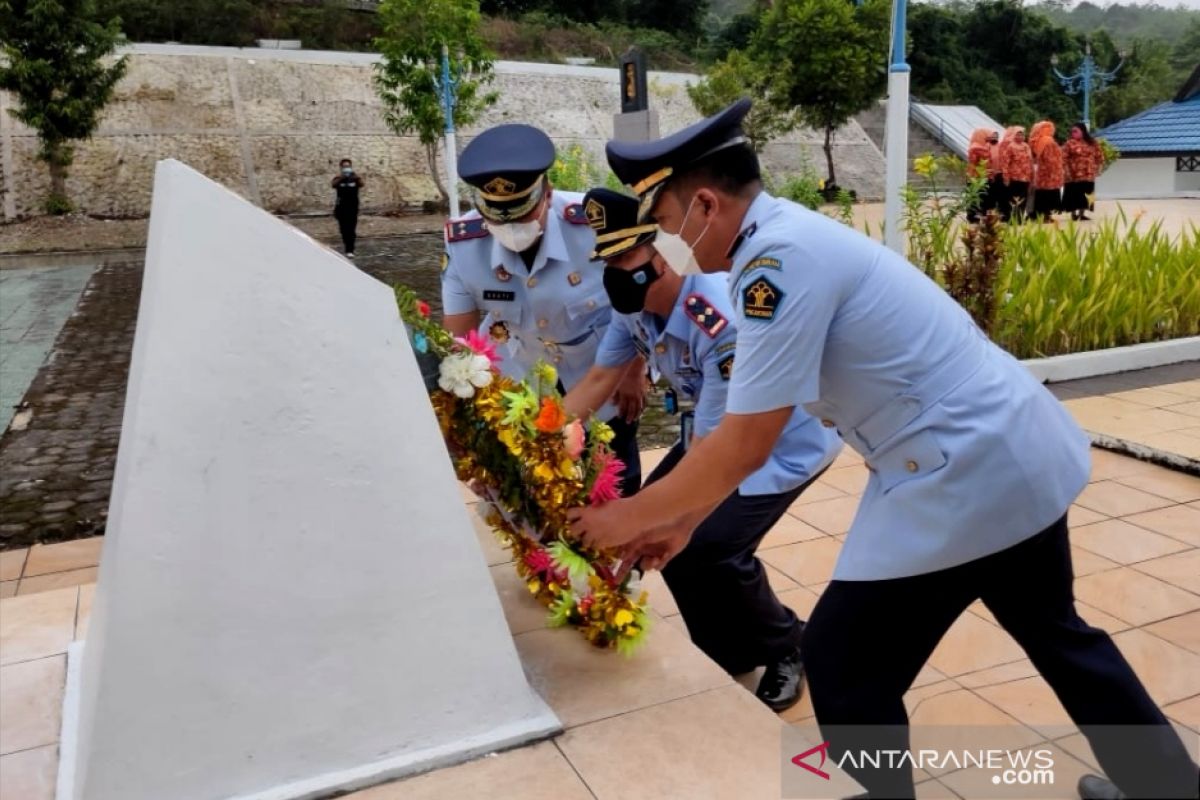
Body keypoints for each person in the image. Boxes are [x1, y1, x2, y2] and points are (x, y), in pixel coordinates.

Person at [568, 99, 1199, 800]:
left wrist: (625, 518)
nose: (666, 244)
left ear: (706, 205)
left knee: (842, 667)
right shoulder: (787, 239)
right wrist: (682, 519)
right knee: (1061, 637)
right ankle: (1168, 787)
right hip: (1009, 443)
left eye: (663, 224)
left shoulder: (774, 264)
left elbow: (746, 441)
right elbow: (740, 440)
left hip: (963, 468)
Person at [563, 187, 843, 711]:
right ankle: (727, 648)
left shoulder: (718, 318)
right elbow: (600, 376)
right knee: (667, 528)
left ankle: (789, 645)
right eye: (607, 259)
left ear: (662, 252)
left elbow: (721, 447)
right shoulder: (635, 306)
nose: (615, 271)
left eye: (626, 256)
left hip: (782, 442)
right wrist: (543, 432)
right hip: (719, 432)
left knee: (711, 544)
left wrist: (656, 517)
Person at [441, 124, 644, 495]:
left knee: (613, 476)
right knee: (540, 485)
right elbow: (461, 342)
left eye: (520, 213)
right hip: (524, 379)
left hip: (601, 370)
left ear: (547, 195)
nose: (509, 226)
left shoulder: (595, 224)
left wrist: (635, 371)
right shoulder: (464, 245)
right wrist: (469, 426)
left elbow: (637, 303)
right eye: (496, 217)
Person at [1062, 122, 1103, 221]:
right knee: (1074, 194)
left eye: (1076, 131)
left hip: (1088, 174)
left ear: (1083, 131)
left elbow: (1099, 156)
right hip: (1074, 175)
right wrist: (1066, 171)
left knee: (1086, 194)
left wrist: (1099, 168)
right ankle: (1073, 214)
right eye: (1072, 131)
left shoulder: (1092, 143)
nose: (1073, 133)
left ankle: (1082, 214)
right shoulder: (1069, 143)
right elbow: (1063, 158)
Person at [1030, 120, 1064, 222]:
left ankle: (1043, 215)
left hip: (1042, 172)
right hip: (1050, 172)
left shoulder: (1037, 141)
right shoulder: (1048, 141)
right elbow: (1050, 158)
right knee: (1049, 195)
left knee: (1042, 194)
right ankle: (1046, 216)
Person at [998, 126, 1032, 222]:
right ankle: (1012, 218)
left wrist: (1031, 176)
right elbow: (1005, 163)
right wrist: (1006, 177)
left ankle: (1019, 218)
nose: (1020, 136)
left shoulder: (1026, 146)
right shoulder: (1010, 146)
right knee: (1013, 199)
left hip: (1025, 178)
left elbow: (1029, 162)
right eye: (1018, 134)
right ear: (1014, 136)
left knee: (1023, 199)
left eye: (1022, 134)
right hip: (1014, 177)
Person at [965, 128, 999, 221]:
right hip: (978, 176)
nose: (989, 137)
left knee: (978, 197)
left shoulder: (979, 145)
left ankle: (975, 216)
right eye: (987, 135)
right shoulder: (977, 147)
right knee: (979, 197)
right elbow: (985, 162)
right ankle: (975, 216)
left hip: (977, 175)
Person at [331, 158, 363, 257]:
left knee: (351, 229)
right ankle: (347, 245)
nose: (346, 168)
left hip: (353, 207)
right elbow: (333, 185)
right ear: (341, 168)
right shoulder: (338, 178)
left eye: (348, 166)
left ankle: (350, 250)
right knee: (343, 229)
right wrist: (342, 177)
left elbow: (362, 184)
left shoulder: (355, 178)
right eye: (344, 166)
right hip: (341, 207)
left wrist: (355, 177)